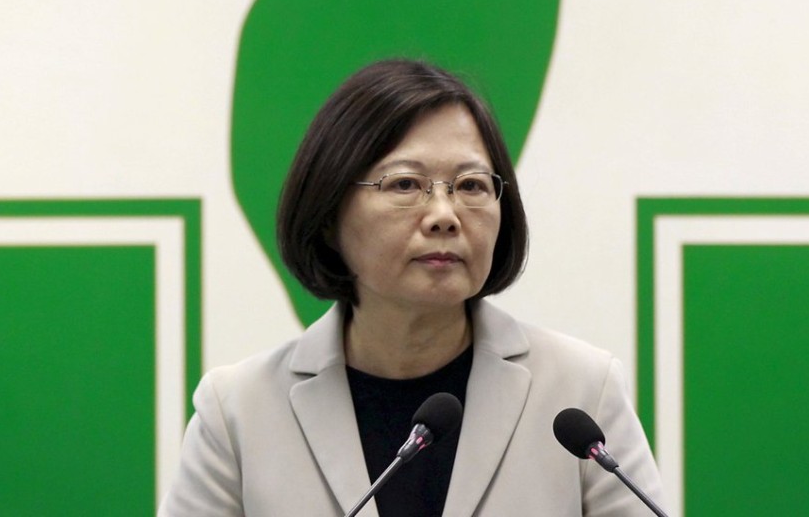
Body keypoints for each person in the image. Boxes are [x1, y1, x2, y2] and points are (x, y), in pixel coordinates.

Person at [158, 59, 663, 516]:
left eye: (471, 186)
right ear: (329, 214)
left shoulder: (580, 394)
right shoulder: (238, 412)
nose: (444, 216)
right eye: (404, 185)